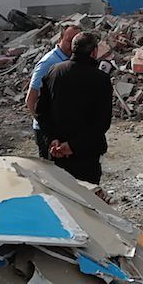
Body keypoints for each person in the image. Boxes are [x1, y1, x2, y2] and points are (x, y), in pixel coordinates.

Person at [36, 31, 113, 184]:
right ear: (94, 52)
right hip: (86, 155)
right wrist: (73, 146)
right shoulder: (101, 79)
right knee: (86, 200)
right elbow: (102, 123)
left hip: (57, 153)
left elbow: (41, 112)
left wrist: (52, 140)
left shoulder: (54, 71)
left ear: (73, 49)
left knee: (61, 199)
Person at [25, 24, 80, 157]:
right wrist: (47, 131)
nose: (72, 46)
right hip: (49, 133)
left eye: (75, 41)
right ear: (60, 39)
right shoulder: (48, 63)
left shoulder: (72, 62)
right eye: (69, 40)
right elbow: (31, 100)